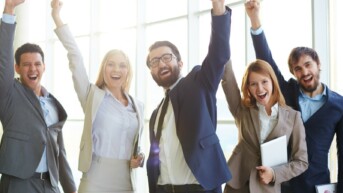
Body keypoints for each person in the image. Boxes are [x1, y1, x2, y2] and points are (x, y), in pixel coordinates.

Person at [245, 0, 343, 193]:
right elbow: (266, 60)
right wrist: (255, 18)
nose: (304, 72)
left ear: (318, 64)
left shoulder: (338, 105)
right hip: (281, 183)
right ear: (293, 73)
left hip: (317, 186)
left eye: (308, 65)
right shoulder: (287, 92)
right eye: (297, 69)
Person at [50, 0, 145, 192]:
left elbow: (134, 144)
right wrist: (57, 17)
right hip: (95, 178)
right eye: (111, 64)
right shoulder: (92, 96)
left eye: (122, 65)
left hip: (126, 181)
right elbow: (75, 57)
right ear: (104, 68)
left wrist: (139, 157)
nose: (116, 69)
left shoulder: (137, 105)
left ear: (128, 71)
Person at [145, 1, 232, 193]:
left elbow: (219, 54)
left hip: (197, 188)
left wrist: (218, 9)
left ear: (180, 63)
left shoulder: (198, 83)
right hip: (164, 189)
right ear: (151, 71)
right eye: (154, 61)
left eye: (167, 57)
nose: (161, 64)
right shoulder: (156, 114)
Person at [0, 0, 76, 193]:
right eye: (26, 64)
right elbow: (4, 59)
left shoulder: (53, 103)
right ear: (17, 68)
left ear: (44, 67)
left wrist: (70, 189)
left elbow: (60, 152)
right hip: (19, 184)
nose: (32, 69)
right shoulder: (9, 93)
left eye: (37, 64)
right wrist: (9, 9)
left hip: (50, 185)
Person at [221, 59, 308, 193]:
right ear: (248, 87)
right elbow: (228, 78)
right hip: (237, 185)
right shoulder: (242, 110)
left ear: (273, 81)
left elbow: (301, 162)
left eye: (264, 82)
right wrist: (221, 42)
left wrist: (274, 174)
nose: (260, 89)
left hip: (266, 188)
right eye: (253, 84)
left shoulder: (293, 117)